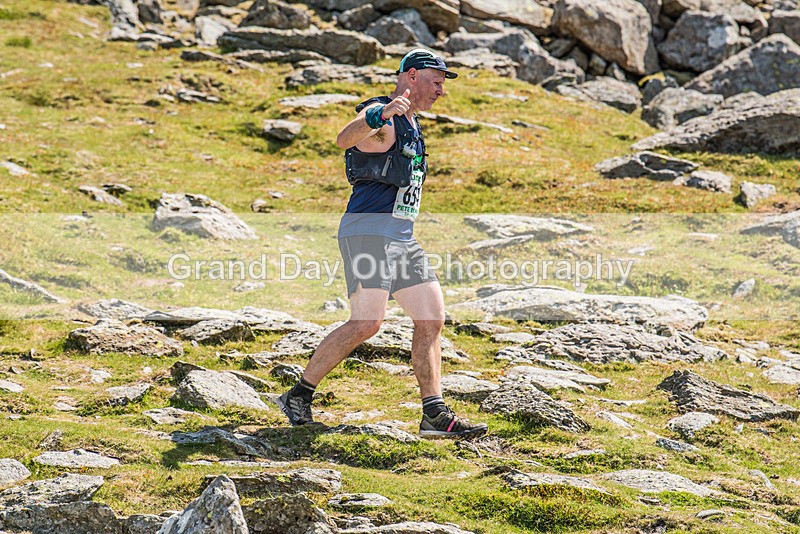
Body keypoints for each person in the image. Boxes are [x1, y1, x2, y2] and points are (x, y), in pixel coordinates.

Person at [276, 49, 488, 439]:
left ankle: (433, 415)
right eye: (436, 81)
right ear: (411, 76)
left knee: (431, 318)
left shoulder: (410, 123)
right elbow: (344, 138)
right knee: (367, 323)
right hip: (368, 233)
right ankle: (299, 394)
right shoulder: (382, 115)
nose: (442, 91)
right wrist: (382, 113)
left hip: (402, 238)